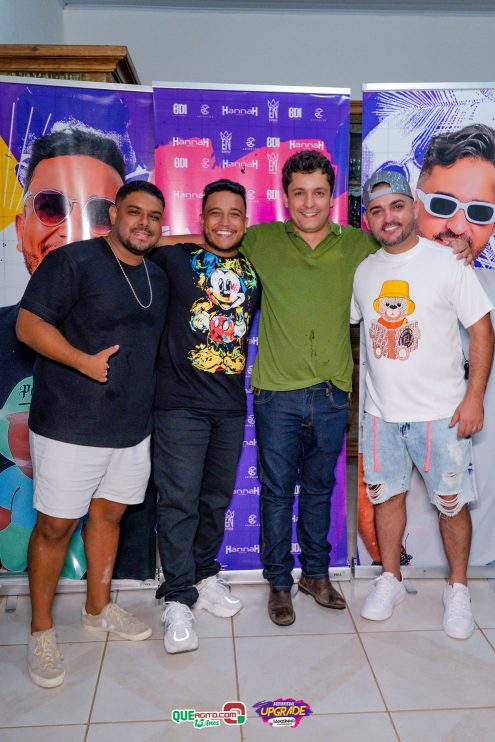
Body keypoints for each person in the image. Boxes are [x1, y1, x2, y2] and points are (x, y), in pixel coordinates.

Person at [16, 181, 168, 688]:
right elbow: (28, 325)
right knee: (55, 527)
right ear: (114, 214)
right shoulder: (73, 261)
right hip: (70, 425)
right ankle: (40, 631)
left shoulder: (155, 276)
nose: (143, 223)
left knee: (108, 517)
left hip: (131, 428)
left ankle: (97, 609)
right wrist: (82, 361)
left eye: (153, 216)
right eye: (134, 212)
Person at [351, 170, 494, 638]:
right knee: (386, 498)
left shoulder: (448, 263)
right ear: (368, 219)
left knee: (452, 505)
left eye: (396, 206)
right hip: (381, 416)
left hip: (442, 415)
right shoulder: (364, 271)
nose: (388, 218)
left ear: (414, 207)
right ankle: (390, 578)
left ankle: (458, 587)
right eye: (376, 211)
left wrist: (474, 398)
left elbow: (482, 330)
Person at [149, 179, 259, 653]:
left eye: (234, 214)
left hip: (230, 406)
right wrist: (192, 239)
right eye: (215, 213)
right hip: (179, 405)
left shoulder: (253, 270)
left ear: (246, 221)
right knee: (179, 501)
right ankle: (176, 597)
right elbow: (139, 241)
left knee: (214, 500)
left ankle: (202, 574)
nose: (225, 222)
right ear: (201, 218)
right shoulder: (176, 259)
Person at [415, 123, 495, 567]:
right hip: (404, 533)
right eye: (443, 205)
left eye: (480, 212)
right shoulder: (375, 273)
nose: (459, 226)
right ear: (416, 201)